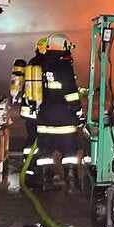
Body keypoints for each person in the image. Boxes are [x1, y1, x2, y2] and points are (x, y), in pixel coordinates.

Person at [34, 33, 84, 194]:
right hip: (63, 118)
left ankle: (45, 182)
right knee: (69, 152)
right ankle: (71, 185)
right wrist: (77, 111)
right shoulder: (63, 66)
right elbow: (70, 92)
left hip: (44, 118)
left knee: (45, 153)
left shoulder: (40, 65)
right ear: (64, 45)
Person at [21, 38, 48, 159]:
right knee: (42, 137)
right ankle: (41, 166)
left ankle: (28, 165)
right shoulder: (47, 63)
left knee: (31, 135)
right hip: (41, 107)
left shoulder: (32, 62)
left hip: (28, 107)